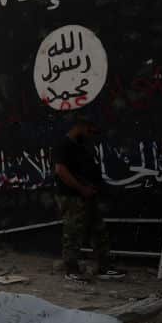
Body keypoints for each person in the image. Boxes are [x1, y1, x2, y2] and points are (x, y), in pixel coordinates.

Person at [54, 116, 126, 282]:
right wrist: (81, 188)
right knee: (73, 233)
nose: (91, 134)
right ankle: (71, 270)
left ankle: (104, 267)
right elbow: (61, 171)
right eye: (89, 130)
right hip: (72, 197)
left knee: (99, 231)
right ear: (80, 126)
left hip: (87, 195)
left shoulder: (81, 146)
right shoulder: (63, 145)